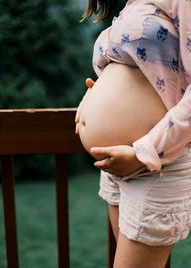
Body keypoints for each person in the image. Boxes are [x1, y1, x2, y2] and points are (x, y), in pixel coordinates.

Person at [75, 1, 191, 267]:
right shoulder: (132, 4)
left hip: (156, 163)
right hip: (117, 166)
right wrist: (92, 95)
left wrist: (143, 153)